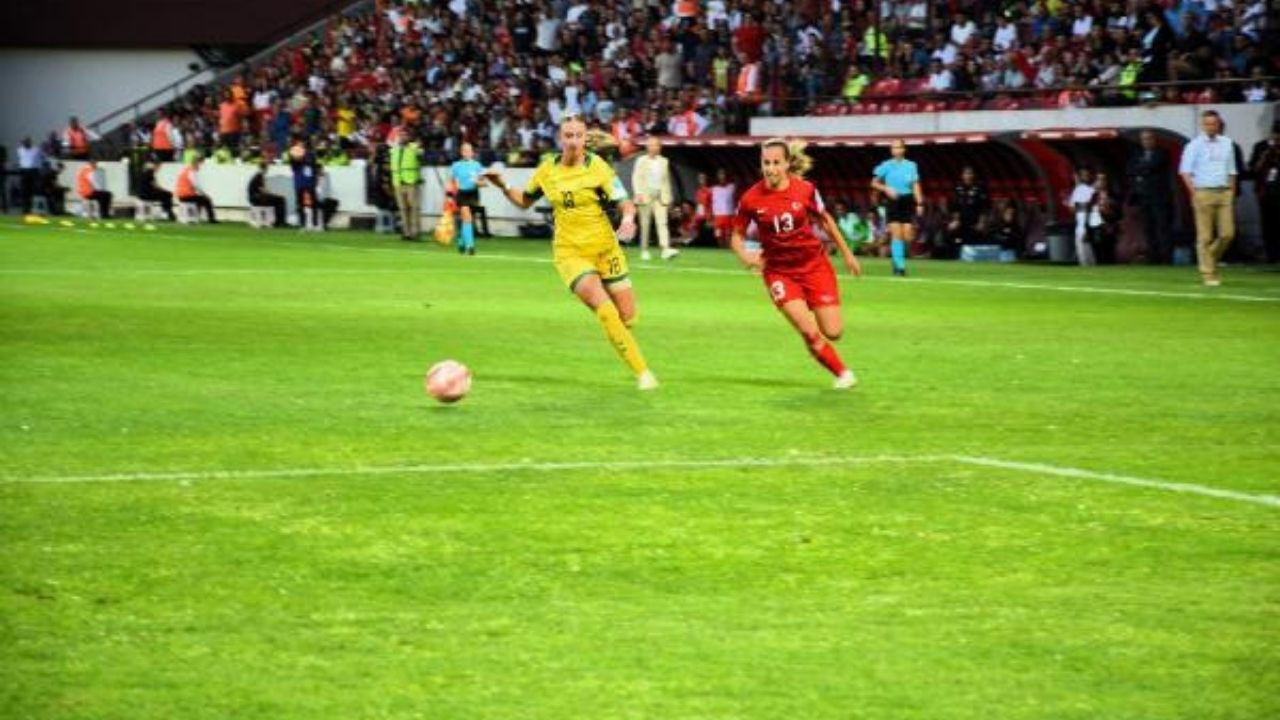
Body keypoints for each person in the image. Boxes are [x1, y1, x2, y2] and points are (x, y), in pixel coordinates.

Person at [483, 115, 658, 391]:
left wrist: (627, 219)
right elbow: (525, 201)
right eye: (568, 135)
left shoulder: (598, 167)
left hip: (605, 249)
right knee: (607, 314)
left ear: (585, 138)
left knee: (628, 318)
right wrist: (503, 185)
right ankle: (644, 374)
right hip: (571, 253)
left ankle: (625, 345)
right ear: (560, 138)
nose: (573, 141)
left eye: (578, 135)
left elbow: (625, 202)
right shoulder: (547, 170)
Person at [729, 138, 862, 389]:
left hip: (814, 266)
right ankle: (843, 374)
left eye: (776, 163)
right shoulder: (750, 199)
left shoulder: (806, 190)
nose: (770, 169)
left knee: (833, 331)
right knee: (807, 329)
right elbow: (736, 236)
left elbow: (825, 221)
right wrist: (746, 256)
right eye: (766, 163)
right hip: (779, 273)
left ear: (788, 163)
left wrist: (847, 254)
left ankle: (812, 303)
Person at [1179, 109, 1238, 285]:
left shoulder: (1227, 143)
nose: (1211, 127)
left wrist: (1231, 192)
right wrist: (1194, 193)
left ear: (1219, 124)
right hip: (1203, 191)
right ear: (1202, 125)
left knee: (1228, 234)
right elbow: (1185, 171)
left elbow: (1232, 170)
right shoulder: (1194, 145)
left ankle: (1208, 258)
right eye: (1208, 124)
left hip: (1224, 192)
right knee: (1205, 236)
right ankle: (1208, 273)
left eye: (1214, 123)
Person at [870, 139, 924, 276]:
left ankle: (896, 261)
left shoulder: (911, 165)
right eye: (893, 148)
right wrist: (886, 188)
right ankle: (900, 267)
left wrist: (919, 203)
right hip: (893, 201)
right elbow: (873, 183)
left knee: (907, 236)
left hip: (907, 200)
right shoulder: (886, 165)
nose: (896, 150)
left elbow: (915, 185)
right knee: (896, 234)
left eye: (898, 147)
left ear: (904, 149)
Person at [1126, 129, 1174, 264]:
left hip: (1160, 197)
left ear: (1155, 140)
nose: (1147, 141)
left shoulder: (1162, 153)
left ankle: (1166, 258)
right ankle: (1153, 258)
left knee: (1162, 228)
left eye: (1149, 138)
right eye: (1144, 139)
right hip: (1143, 197)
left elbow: (1152, 166)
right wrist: (1143, 169)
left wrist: (1140, 170)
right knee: (1148, 229)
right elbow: (1130, 169)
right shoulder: (1136, 154)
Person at [631, 136, 679, 260]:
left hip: (660, 195)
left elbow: (666, 181)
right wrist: (638, 193)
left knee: (662, 222)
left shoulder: (664, 161)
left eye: (656, 145)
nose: (654, 147)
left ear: (660, 147)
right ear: (647, 147)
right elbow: (636, 177)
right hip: (645, 195)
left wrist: (669, 197)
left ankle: (665, 248)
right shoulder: (641, 160)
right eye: (651, 145)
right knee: (645, 224)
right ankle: (644, 249)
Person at [1247, 124, 1280, 263]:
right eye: (1276, 135)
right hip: (1265, 192)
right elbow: (1254, 168)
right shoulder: (1261, 147)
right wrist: (1266, 154)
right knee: (1268, 224)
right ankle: (1271, 256)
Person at [448, 142, 487, 255]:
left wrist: (478, 182)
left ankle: (461, 241)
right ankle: (470, 246)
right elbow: (451, 182)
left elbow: (484, 183)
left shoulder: (477, 166)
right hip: (462, 194)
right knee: (467, 218)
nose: (467, 153)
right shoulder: (456, 165)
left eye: (469, 151)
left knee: (468, 220)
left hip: (473, 194)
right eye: (464, 150)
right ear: (461, 152)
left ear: (472, 153)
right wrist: (449, 196)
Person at [390, 127, 423, 241]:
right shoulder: (394, 149)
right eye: (401, 135)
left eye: (405, 135)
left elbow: (421, 154)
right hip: (398, 182)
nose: (402, 137)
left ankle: (415, 232)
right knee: (403, 209)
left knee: (414, 207)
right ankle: (406, 232)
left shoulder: (414, 147)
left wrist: (419, 149)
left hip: (411, 181)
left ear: (409, 137)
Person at [289, 139, 321, 230]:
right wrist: (297, 159)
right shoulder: (293, 155)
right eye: (299, 144)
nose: (300, 145)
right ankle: (302, 224)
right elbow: (293, 167)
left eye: (302, 143)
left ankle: (315, 224)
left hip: (310, 182)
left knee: (314, 203)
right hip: (299, 182)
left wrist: (316, 179)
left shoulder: (311, 155)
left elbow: (315, 168)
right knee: (300, 204)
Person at [1068, 166, 1097, 266]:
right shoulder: (1077, 190)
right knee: (1082, 243)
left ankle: (1088, 264)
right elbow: (1071, 207)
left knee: (1084, 241)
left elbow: (1090, 205)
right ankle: (1087, 264)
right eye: (1084, 175)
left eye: (1087, 175)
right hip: (1080, 218)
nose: (1086, 177)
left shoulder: (1091, 189)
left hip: (1088, 217)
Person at [174, 156, 218, 223]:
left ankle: (193, 217)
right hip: (186, 194)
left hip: (182, 194)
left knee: (200, 199)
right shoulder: (191, 171)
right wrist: (205, 194)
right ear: (197, 163)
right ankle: (211, 219)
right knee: (207, 200)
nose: (201, 166)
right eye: (201, 164)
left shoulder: (186, 169)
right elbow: (196, 185)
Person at [247, 161, 287, 228]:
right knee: (281, 199)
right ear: (265, 168)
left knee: (277, 199)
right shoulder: (259, 176)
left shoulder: (257, 176)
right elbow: (262, 190)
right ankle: (280, 221)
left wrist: (272, 195)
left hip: (255, 197)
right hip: (257, 198)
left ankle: (277, 221)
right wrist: (274, 194)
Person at [709, 168, 736, 247]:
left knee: (728, 235)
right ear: (717, 176)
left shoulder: (732, 187)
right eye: (720, 174)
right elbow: (710, 203)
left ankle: (728, 249)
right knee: (719, 236)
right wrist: (710, 216)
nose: (721, 176)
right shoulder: (713, 189)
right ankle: (721, 250)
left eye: (723, 174)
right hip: (718, 216)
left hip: (729, 215)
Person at [16, 138, 43, 214]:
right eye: (24, 143)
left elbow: (40, 159)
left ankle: (36, 208)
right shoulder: (20, 150)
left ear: (30, 143)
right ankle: (25, 209)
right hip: (24, 171)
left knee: (34, 190)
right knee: (24, 191)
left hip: (33, 171)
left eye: (27, 142)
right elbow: (21, 159)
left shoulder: (36, 150)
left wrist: (39, 169)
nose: (26, 144)